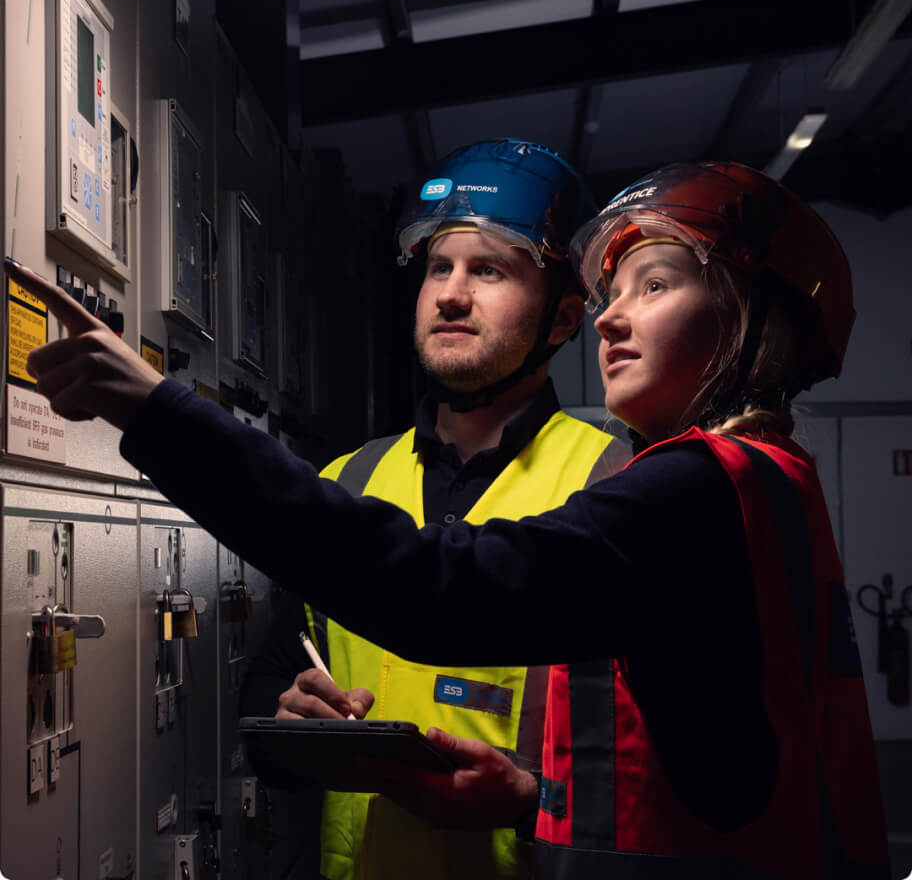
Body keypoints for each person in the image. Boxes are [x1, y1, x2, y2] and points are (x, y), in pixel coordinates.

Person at [6, 160, 890, 879]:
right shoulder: (765, 481)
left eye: (653, 284)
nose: (615, 317)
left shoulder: (686, 487)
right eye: (437, 267)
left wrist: (163, 411)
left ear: (746, 321)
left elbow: (432, 590)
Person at [239, 139, 623, 880]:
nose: (449, 293)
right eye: (438, 267)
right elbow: (277, 670)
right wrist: (287, 721)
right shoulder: (348, 479)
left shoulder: (615, 482)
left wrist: (530, 800)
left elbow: (668, 757)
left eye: (489, 270)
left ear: (565, 317)